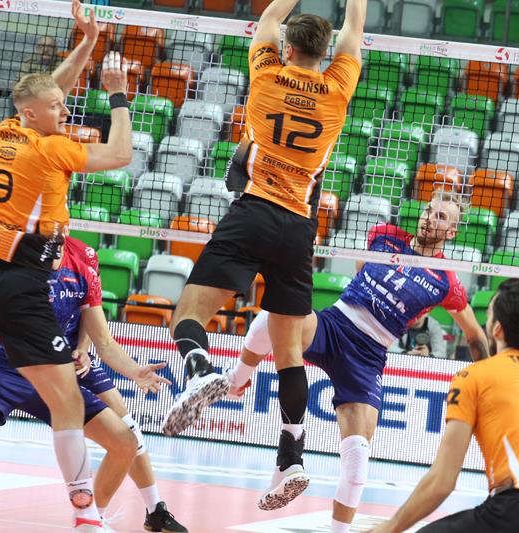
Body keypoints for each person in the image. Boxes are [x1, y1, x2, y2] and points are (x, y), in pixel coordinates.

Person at [160, 0, 366, 463]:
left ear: (287, 49)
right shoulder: (338, 87)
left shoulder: (267, 74)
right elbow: (355, 26)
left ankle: (198, 368)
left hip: (253, 211)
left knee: (189, 313)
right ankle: (291, 456)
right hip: (298, 227)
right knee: (288, 352)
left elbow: (270, 18)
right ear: (325, 52)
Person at [224, 192, 489, 531]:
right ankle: (236, 380)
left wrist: (488, 377)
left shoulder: (445, 281)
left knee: (358, 457)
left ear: (451, 232)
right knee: (275, 315)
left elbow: (475, 334)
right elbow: (362, 268)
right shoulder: (384, 235)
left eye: (440, 217)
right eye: (428, 211)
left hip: (369, 355)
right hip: (336, 323)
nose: (429, 218)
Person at [0, 0, 132, 528]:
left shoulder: (9, 130)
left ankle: (86, 512)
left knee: (64, 399)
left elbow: (46, 91)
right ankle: (83, 503)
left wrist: (87, 43)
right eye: (57, 108)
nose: (66, 110)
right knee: (68, 403)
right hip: (22, 280)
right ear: (34, 114)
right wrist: (117, 92)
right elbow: (119, 155)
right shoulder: (51, 150)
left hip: (8, 267)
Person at [368, 279, 519, 533]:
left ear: (497, 329)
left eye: (488, 316)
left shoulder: (475, 376)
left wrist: (388, 528)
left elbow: (442, 482)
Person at [0, 237, 173, 531]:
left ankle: (92, 520)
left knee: (125, 441)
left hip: (52, 369)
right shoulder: (10, 254)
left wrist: (134, 370)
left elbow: (102, 339)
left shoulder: (82, 263)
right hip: (4, 366)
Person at [57, 236, 187, 532]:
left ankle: (144, 511)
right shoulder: (23, 255)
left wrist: (83, 349)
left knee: (129, 433)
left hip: (76, 359)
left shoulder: (84, 255)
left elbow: (91, 316)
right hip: (34, 361)